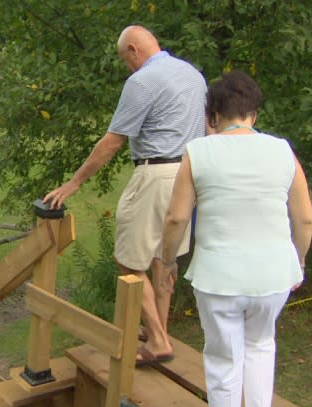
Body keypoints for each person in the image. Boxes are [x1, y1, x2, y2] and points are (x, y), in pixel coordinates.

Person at [158, 70, 312, 407]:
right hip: (273, 275)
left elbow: (177, 216)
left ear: (212, 116)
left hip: (218, 278)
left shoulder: (198, 152)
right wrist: (299, 262)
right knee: (261, 346)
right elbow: (304, 218)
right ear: (253, 114)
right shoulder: (282, 150)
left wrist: (166, 261)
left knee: (223, 357)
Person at [44, 25, 206, 364]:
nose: (126, 67)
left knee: (128, 260)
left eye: (124, 60)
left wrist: (73, 183)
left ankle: (159, 341)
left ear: (133, 49)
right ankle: (159, 329)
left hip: (156, 175)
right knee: (165, 259)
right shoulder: (193, 75)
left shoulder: (142, 82)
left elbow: (113, 141)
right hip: (190, 175)